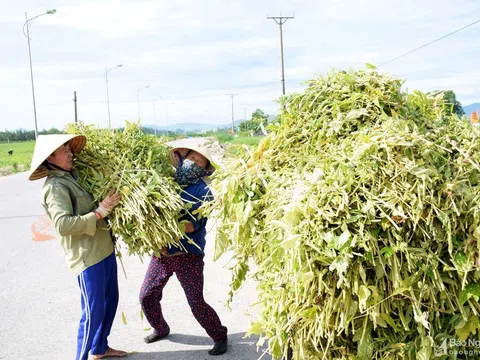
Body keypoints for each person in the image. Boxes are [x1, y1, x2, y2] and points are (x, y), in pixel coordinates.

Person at [28, 134, 128, 360]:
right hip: (87, 256)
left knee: (109, 303)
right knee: (92, 312)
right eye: (64, 150)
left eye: (69, 149)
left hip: (104, 248)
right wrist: (100, 212)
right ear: (50, 158)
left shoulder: (75, 177)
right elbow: (62, 225)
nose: (70, 153)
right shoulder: (55, 187)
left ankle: (100, 348)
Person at [139, 139, 228, 356]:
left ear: (204, 169)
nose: (194, 163)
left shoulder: (204, 192)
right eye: (191, 157)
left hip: (188, 254)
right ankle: (160, 327)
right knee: (146, 295)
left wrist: (164, 223)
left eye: (200, 161)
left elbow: (192, 225)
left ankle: (219, 335)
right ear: (181, 158)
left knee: (196, 303)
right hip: (162, 252)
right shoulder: (166, 183)